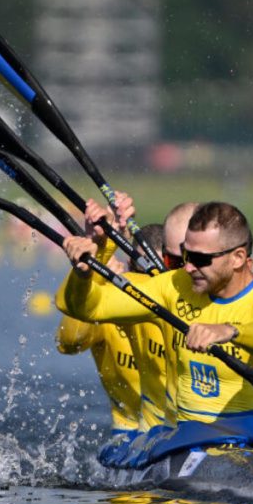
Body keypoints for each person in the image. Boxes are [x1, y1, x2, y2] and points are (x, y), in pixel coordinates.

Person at [57, 200, 253, 485]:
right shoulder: (173, 288)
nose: (188, 266)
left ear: (238, 257)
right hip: (188, 441)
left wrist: (229, 330)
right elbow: (85, 307)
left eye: (201, 259)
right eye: (186, 255)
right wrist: (84, 272)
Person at [54, 200, 168, 467]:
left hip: (180, 429)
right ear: (129, 265)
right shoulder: (106, 298)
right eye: (141, 271)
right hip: (129, 433)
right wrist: (95, 269)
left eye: (160, 271)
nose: (148, 281)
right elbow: (69, 343)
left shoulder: (186, 300)